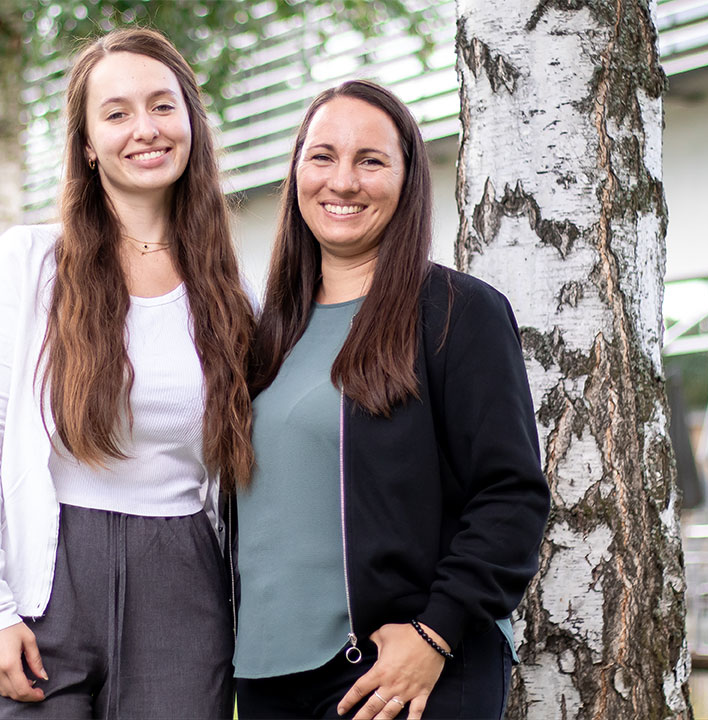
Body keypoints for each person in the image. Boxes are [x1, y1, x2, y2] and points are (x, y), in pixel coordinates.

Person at [0, 28, 254, 719]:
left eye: (163, 107)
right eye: (116, 114)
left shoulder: (235, 298)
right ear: (87, 144)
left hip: (181, 587)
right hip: (41, 580)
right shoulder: (27, 265)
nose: (145, 129)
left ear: (192, 125)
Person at [234, 80, 550, 720]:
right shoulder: (266, 333)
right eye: (322, 157)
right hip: (267, 678)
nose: (342, 182)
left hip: (400, 675)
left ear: (408, 181)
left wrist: (435, 631)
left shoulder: (457, 313)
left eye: (370, 160)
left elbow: (511, 494)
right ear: (296, 172)